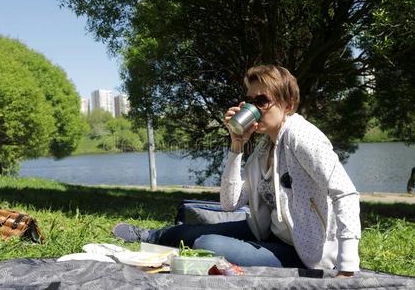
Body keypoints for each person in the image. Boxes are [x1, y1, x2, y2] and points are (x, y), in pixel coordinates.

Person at [113, 65, 361, 278]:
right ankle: (150, 235)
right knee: (188, 231)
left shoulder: (301, 136)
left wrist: (347, 267)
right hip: (268, 232)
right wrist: (237, 144)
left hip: (305, 251)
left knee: (206, 243)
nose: (255, 107)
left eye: (262, 101)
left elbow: (345, 193)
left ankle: (169, 247)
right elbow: (230, 203)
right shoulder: (265, 146)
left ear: (288, 104)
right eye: (250, 101)